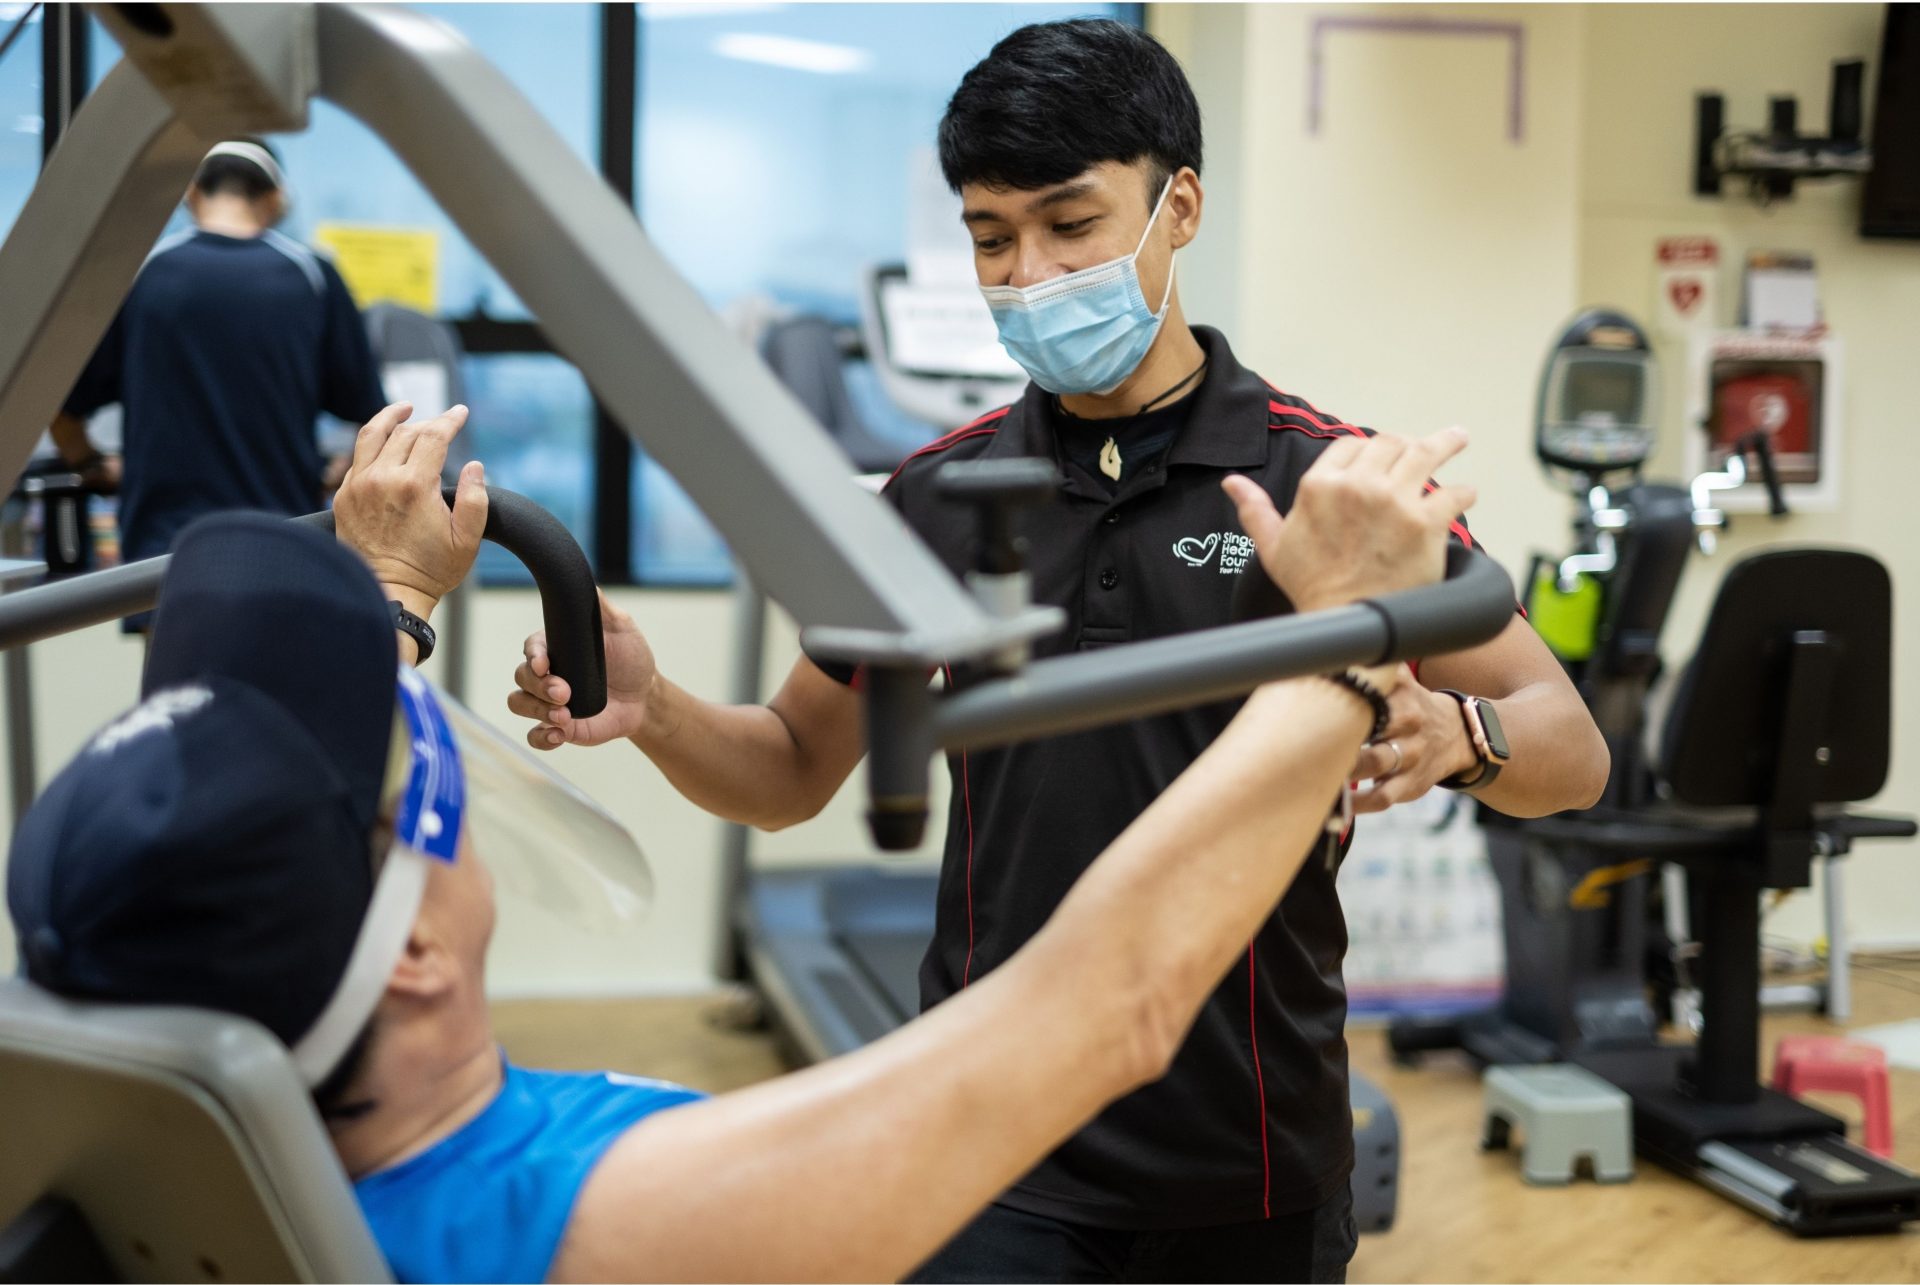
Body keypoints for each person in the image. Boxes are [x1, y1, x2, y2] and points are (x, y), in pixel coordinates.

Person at [509, 19, 1610, 1282]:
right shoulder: (938, 493)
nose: (1029, 274)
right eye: (991, 237)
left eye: (1071, 225)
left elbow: (1571, 750)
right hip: (985, 1136)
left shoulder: (1329, 485)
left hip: (1245, 1144)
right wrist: (653, 706)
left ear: (1178, 205)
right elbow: (790, 768)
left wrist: (1460, 738)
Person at [12, 404, 1475, 1283]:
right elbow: (1111, 1003)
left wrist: (389, 599)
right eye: (412, 768)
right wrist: (1340, 652)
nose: (427, 750)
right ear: (406, 949)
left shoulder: (217, 1126)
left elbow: (229, 800)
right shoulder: (592, 1218)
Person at [50, 137, 387, 603]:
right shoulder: (311, 277)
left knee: (175, 675)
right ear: (275, 199)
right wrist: (337, 474)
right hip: (282, 539)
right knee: (271, 675)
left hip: (165, 549)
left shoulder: (144, 274)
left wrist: (93, 465)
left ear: (192, 194)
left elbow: (61, 410)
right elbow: (375, 418)